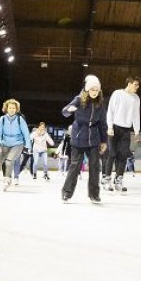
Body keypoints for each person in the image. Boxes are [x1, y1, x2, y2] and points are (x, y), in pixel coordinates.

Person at [61, 75, 108, 203]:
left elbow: (103, 123)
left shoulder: (101, 103)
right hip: (78, 137)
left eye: (97, 90)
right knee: (75, 166)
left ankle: (94, 194)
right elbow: (64, 112)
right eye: (92, 89)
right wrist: (69, 110)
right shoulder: (78, 99)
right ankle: (66, 193)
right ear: (87, 89)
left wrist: (104, 141)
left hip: (93, 138)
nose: (94, 92)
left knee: (94, 167)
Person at [105, 76, 141, 193]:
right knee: (112, 154)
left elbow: (136, 115)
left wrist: (136, 131)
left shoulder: (136, 98)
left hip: (126, 130)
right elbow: (110, 110)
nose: (137, 87)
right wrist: (110, 126)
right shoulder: (117, 93)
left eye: (138, 85)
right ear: (129, 83)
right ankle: (107, 180)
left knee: (123, 155)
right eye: (136, 84)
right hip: (114, 128)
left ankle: (118, 180)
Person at [0, 98, 30, 191]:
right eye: (10, 108)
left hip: (17, 144)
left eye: (14, 108)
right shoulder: (2, 119)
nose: (12, 109)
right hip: (4, 143)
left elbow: (26, 133)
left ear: (16, 109)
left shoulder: (20, 119)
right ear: (6, 109)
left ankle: (7, 179)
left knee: (9, 161)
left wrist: (28, 146)